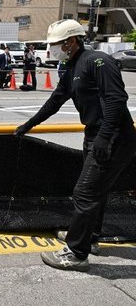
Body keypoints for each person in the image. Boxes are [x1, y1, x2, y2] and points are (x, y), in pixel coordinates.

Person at [14, 19, 136, 272]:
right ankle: (90, 238)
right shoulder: (71, 67)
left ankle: (76, 253)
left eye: (56, 44)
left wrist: (104, 137)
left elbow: (116, 99)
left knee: (84, 193)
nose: (52, 49)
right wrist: (29, 125)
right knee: (95, 192)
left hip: (113, 137)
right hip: (95, 134)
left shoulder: (97, 60)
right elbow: (56, 100)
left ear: (70, 41)